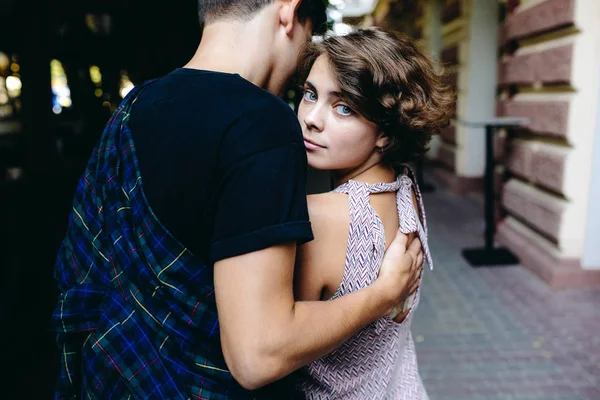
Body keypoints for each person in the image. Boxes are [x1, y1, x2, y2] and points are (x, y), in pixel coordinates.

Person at [50, 1, 424, 399]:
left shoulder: (131, 110)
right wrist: (382, 296)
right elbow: (258, 355)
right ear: (289, 12)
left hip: (112, 379)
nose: (310, 115)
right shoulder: (261, 123)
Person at [293, 28, 454, 399]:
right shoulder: (405, 187)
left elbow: (277, 347)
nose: (312, 118)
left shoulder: (321, 217)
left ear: (385, 132)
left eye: (343, 107)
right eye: (310, 94)